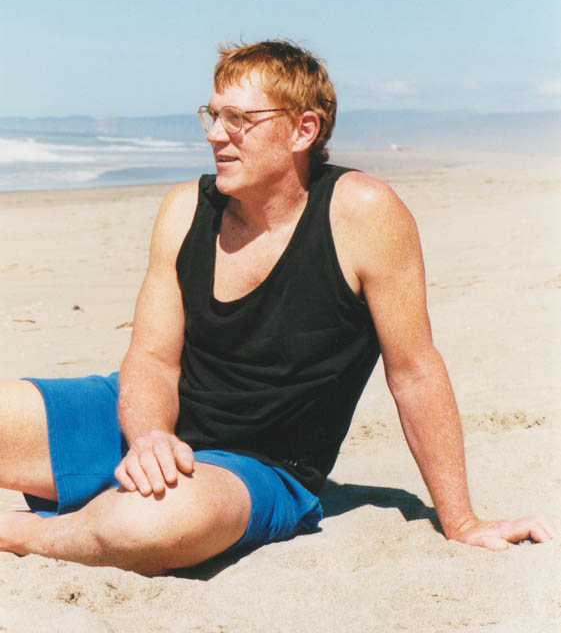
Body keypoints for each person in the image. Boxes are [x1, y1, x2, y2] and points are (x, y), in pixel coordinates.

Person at [0, 41, 554, 576]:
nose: (217, 134)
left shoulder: (364, 214)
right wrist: (149, 436)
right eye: (212, 115)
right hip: (146, 423)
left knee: (151, 525)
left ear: (303, 130)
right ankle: (101, 501)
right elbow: (151, 359)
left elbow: (413, 370)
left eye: (239, 118)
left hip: (256, 467)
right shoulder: (186, 209)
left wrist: (460, 519)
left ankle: (23, 531)